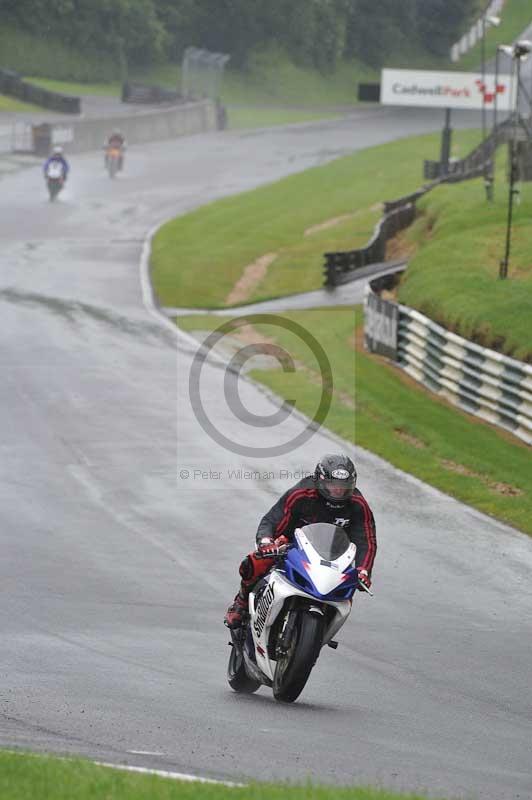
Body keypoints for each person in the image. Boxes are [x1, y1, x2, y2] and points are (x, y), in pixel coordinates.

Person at [224, 454, 377, 628]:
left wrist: (363, 570)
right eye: (332, 485)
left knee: (348, 584)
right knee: (255, 561)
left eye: (343, 486)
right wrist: (267, 542)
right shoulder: (301, 494)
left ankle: (325, 626)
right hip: (291, 546)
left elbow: (367, 540)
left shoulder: (358, 505)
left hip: (334, 557)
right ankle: (241, 602)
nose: (338, 491)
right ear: (320, 480)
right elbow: (272, 520)